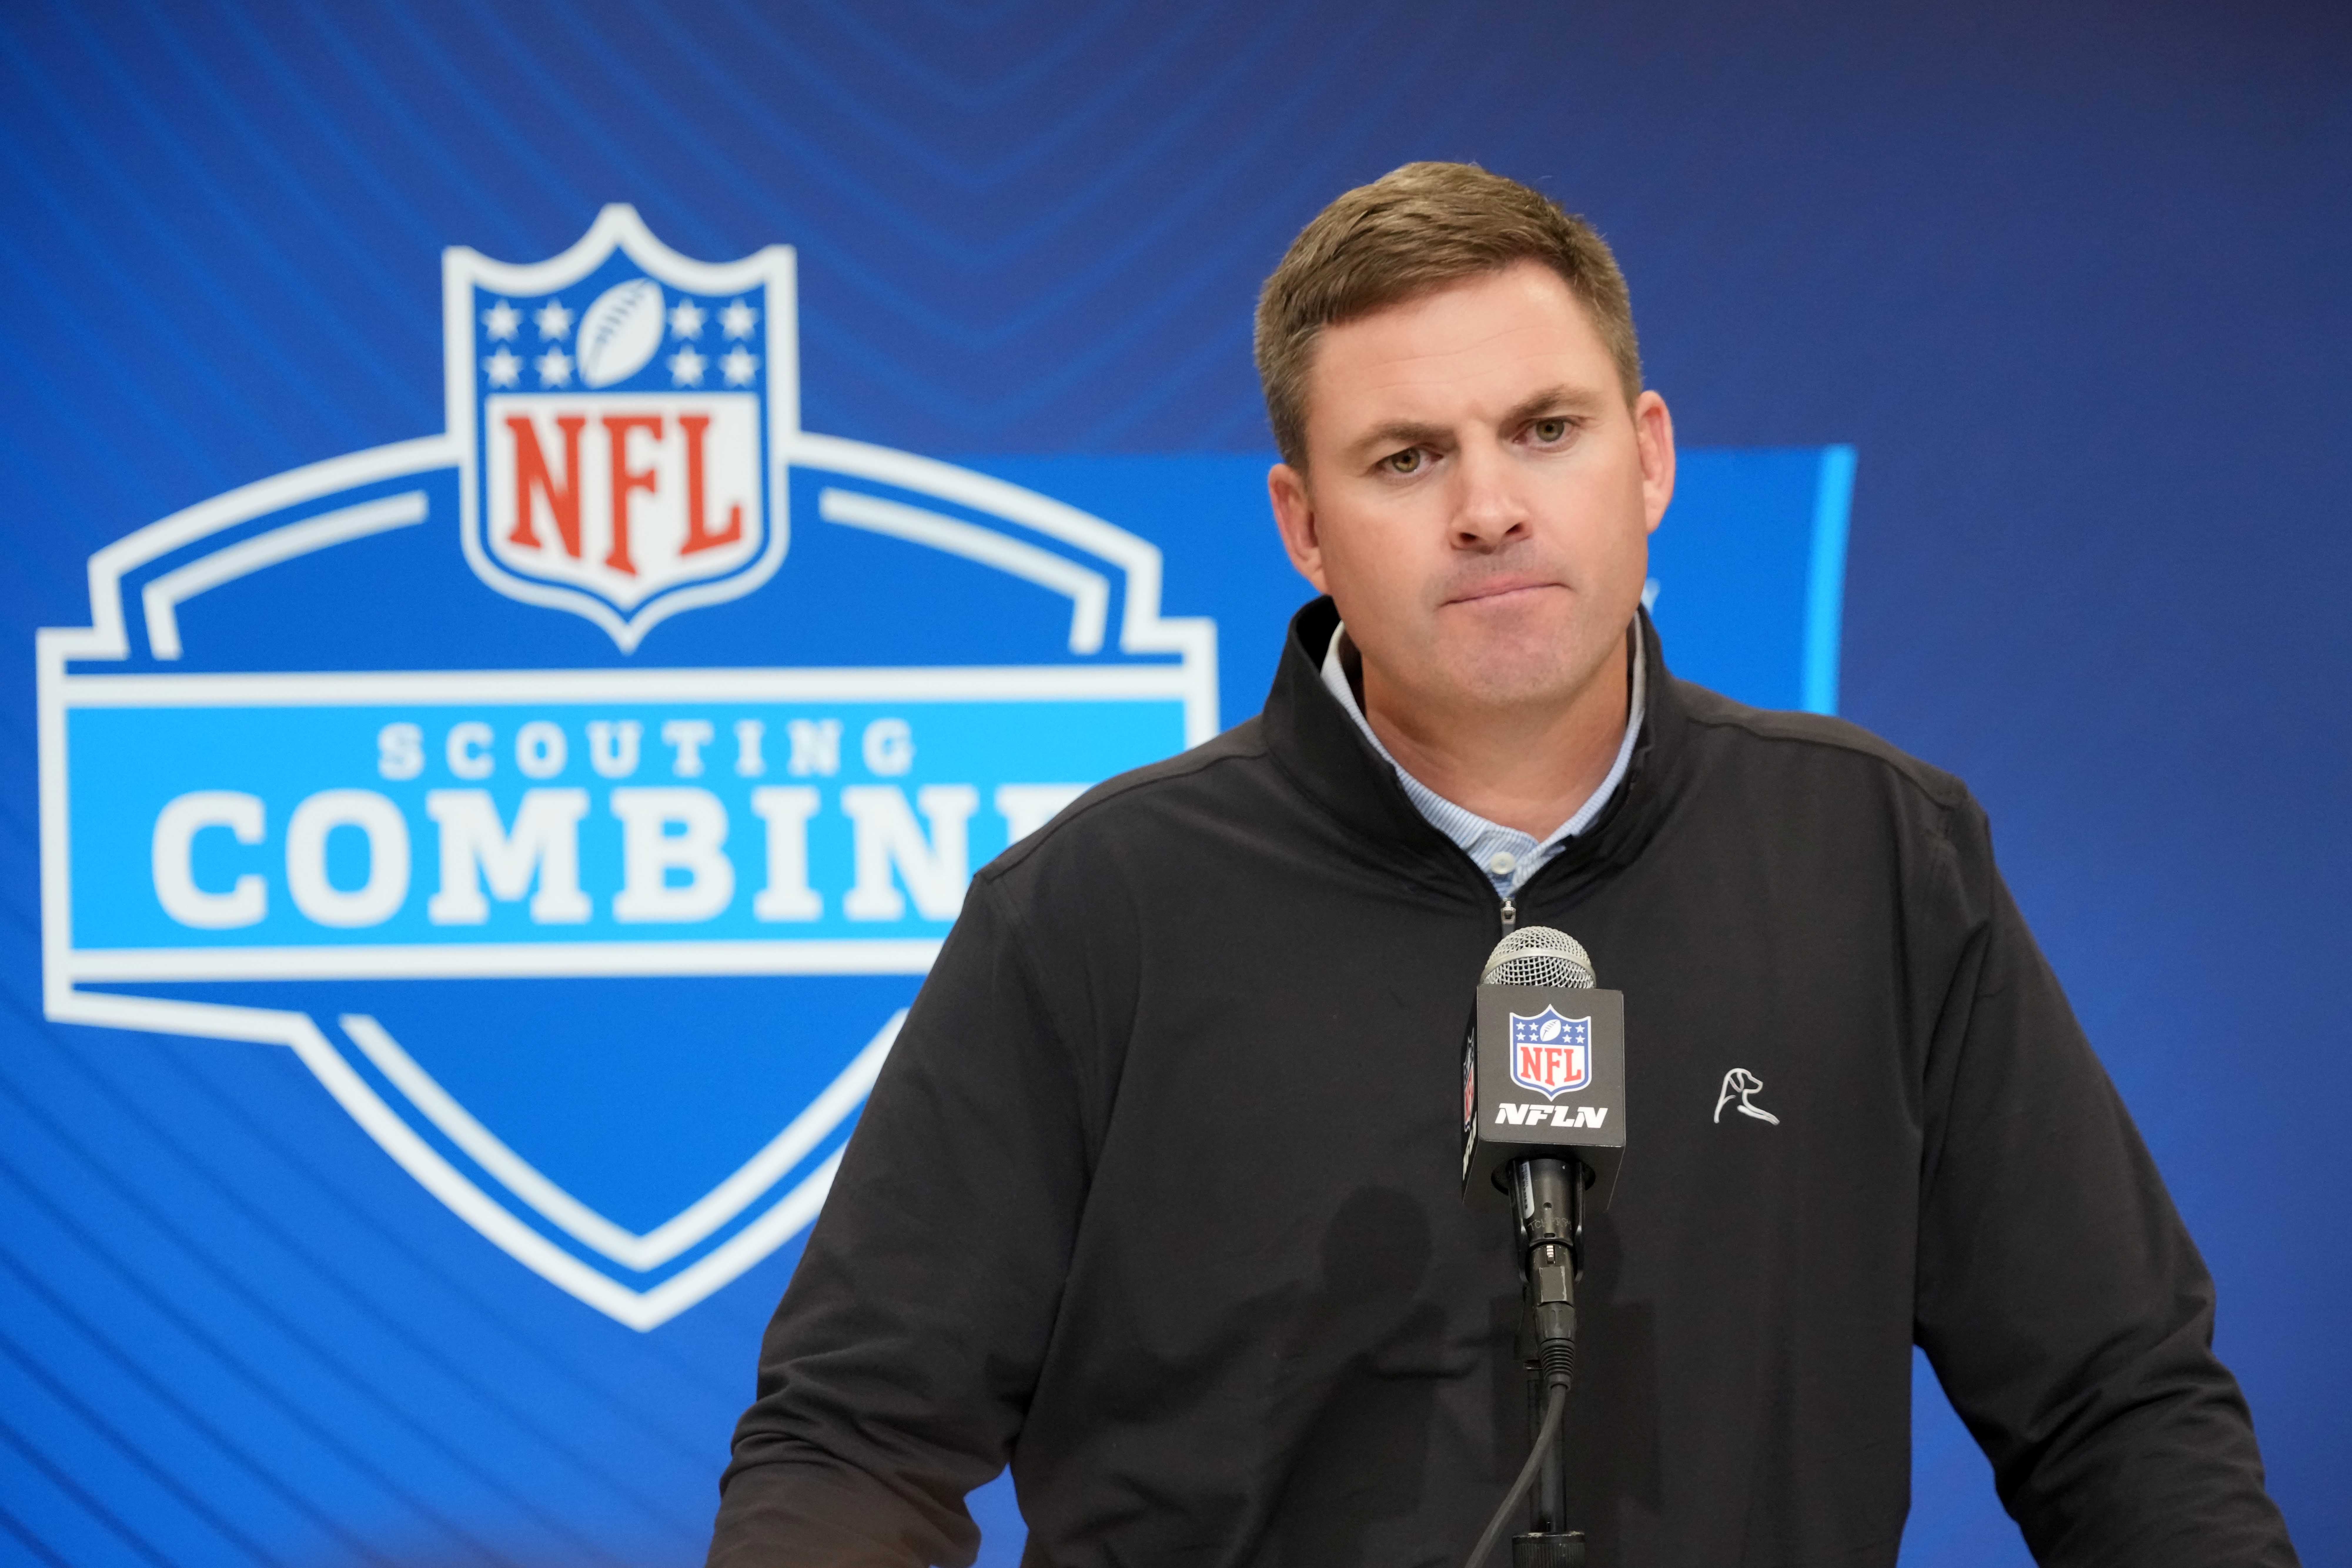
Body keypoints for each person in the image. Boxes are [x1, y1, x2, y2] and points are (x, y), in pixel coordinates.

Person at [707, 163, 2296, 1567]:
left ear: (1649, 456)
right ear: (1302, 525)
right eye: (1403, 458)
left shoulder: (1877, 854)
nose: (1487, 508)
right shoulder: (1088, 909)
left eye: (1544, 430)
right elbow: (855, 1440)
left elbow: (2115, 1407)